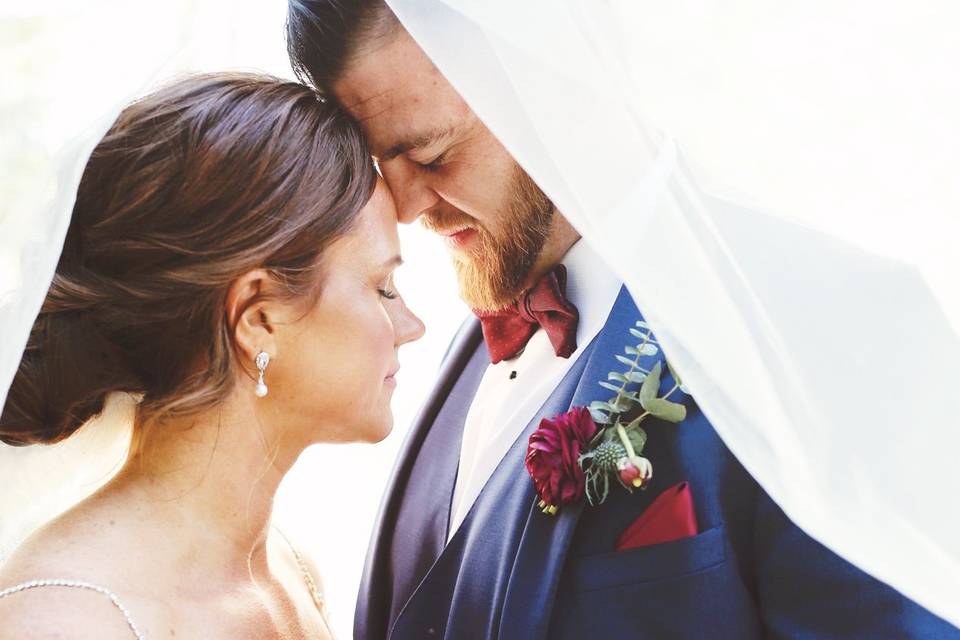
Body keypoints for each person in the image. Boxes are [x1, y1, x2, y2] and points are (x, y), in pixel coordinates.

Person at [285, 3, 960, 639]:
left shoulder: (831, 322)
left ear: (553, 71)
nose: (404, 207)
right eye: (382, 163)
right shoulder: (462, 351)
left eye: (432, 156)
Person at [0, 72, 424, 639]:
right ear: (258, 319)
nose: (412, 326)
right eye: (382, 288)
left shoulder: (290, 571)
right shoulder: (69, 622)